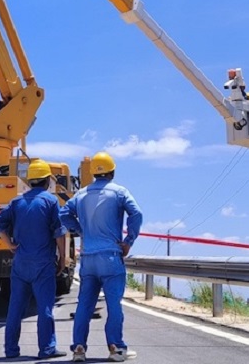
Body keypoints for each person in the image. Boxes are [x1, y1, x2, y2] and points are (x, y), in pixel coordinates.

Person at [60, 152, 143, 362]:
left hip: (87, 258)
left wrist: (80, 230)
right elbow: (136, 214)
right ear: (112, 171)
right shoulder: (119, 192)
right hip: (110, 257)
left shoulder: (80, 194)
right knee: (114, 304)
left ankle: (79, 348)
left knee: (84, 305)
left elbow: (63, 214)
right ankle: (116, 349)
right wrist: (128, 241)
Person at [0, 159, 68, 360]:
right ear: (47, 181)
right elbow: (59, 232)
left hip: (20, 263)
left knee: (15, 308)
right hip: (43, 264)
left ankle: (10, 350)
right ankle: (47, 349)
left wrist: (9, 244)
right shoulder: (50, 201)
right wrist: (63, 258)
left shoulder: (16, 202)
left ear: (29, 181)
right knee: (44, 308)